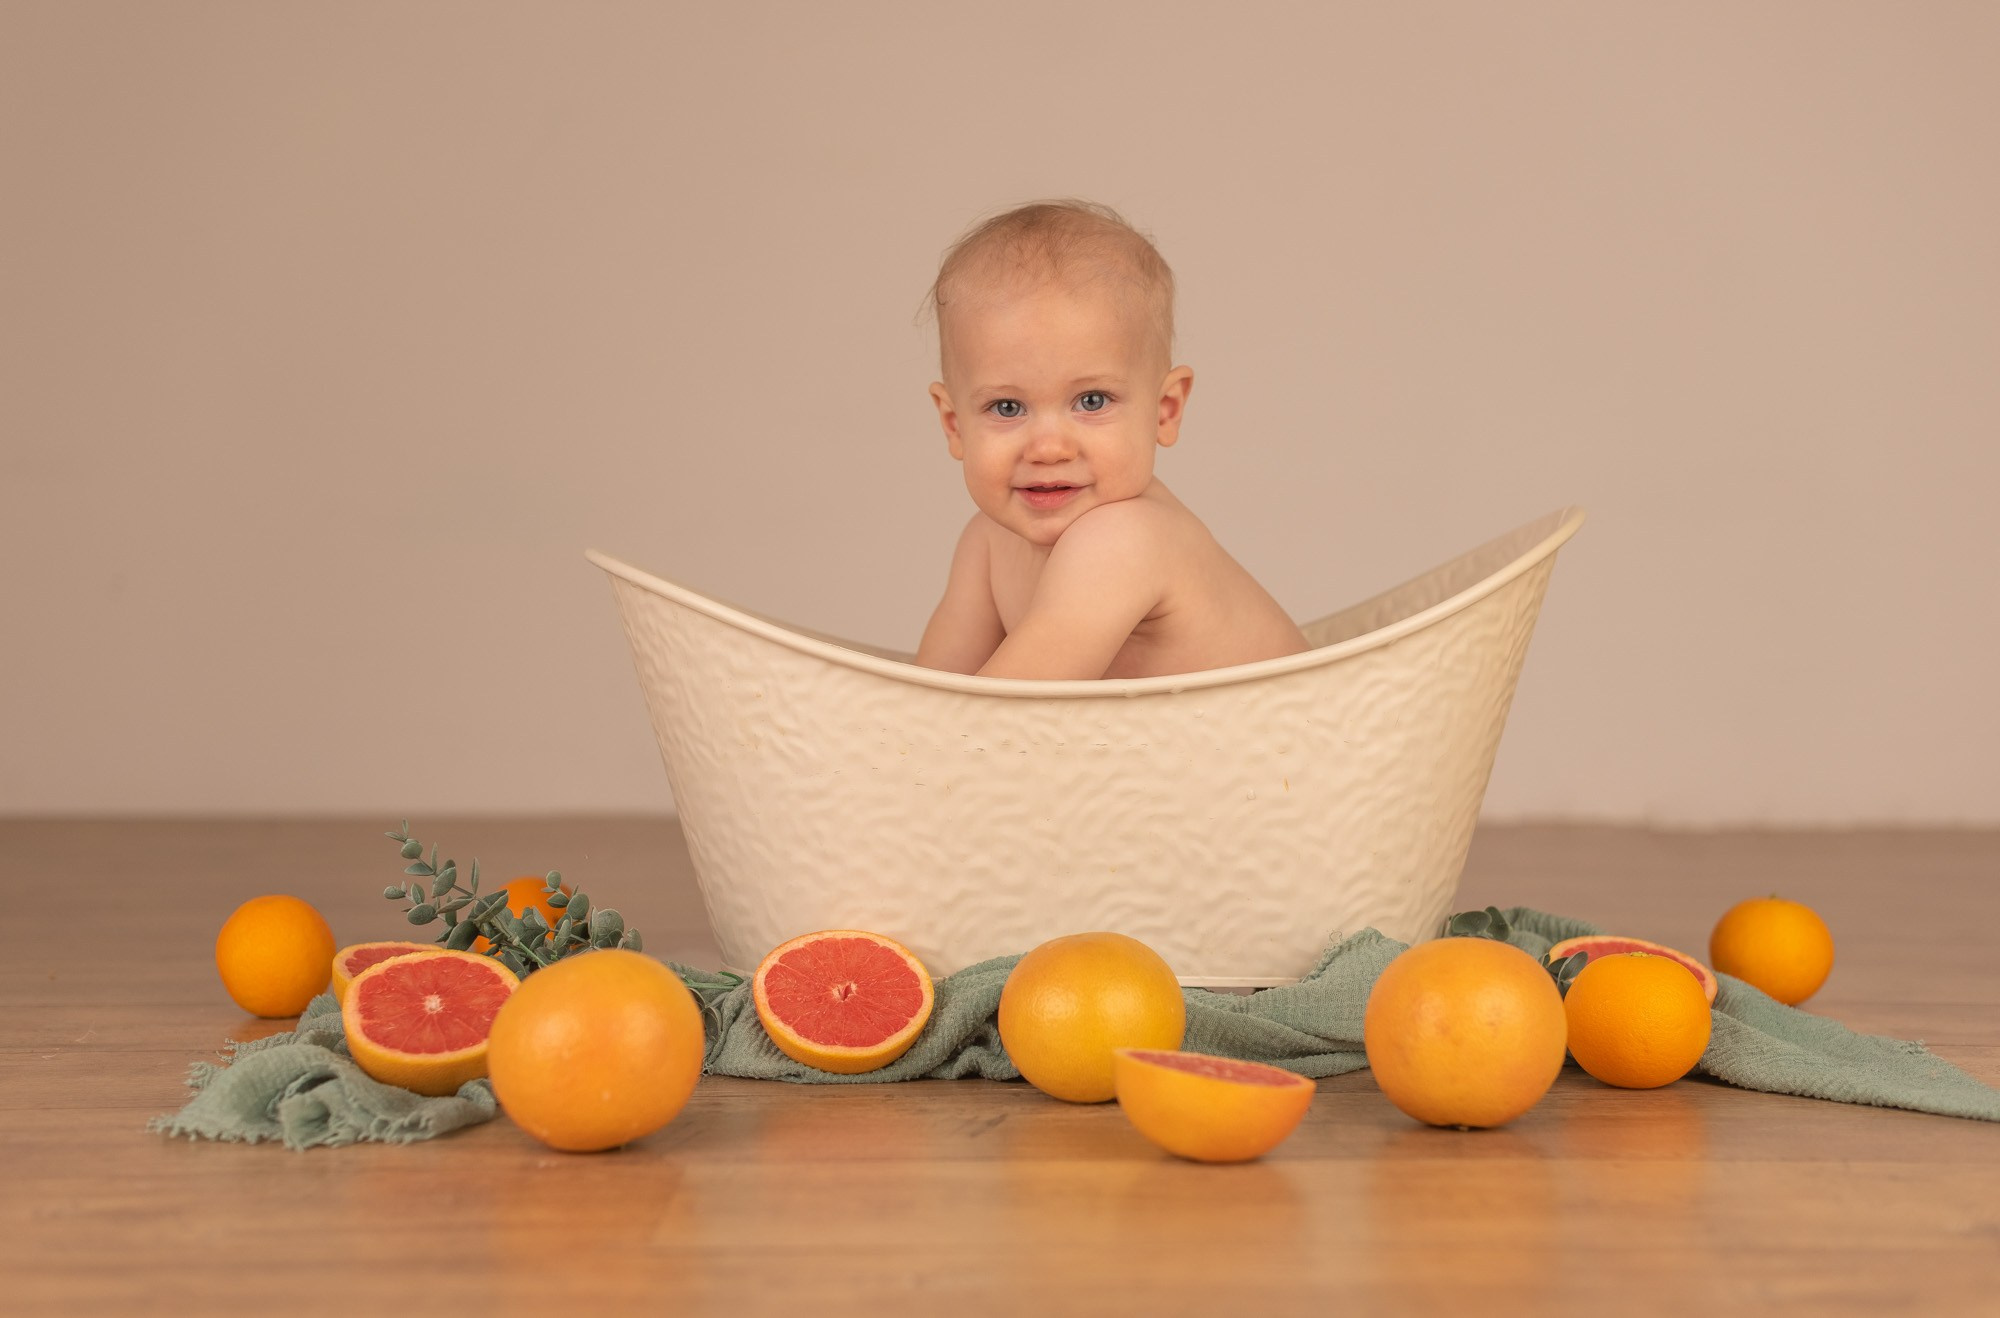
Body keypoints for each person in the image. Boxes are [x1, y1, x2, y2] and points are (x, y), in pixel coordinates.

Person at [914, 199, 1309, 680]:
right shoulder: (986, 542)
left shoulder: (1124, 540)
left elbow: (993, 719)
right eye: (1008, 408)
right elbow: (929, 699)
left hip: (1300, 750)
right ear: (955, 425)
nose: (1048, 449)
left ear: (1165, 411)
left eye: (1092, 401)